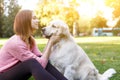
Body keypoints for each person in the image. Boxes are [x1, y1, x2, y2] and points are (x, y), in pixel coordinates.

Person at [0, 10, 67, 80]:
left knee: (42, 59)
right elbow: (40, 65)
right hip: (2, 76)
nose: (38, 21)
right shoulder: (16, 43)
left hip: (14, 74)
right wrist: (50, 42)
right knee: (31, 62)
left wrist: (49, 41)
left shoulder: (30, 39)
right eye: (34, 18)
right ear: (25, 21)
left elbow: (42, 59)